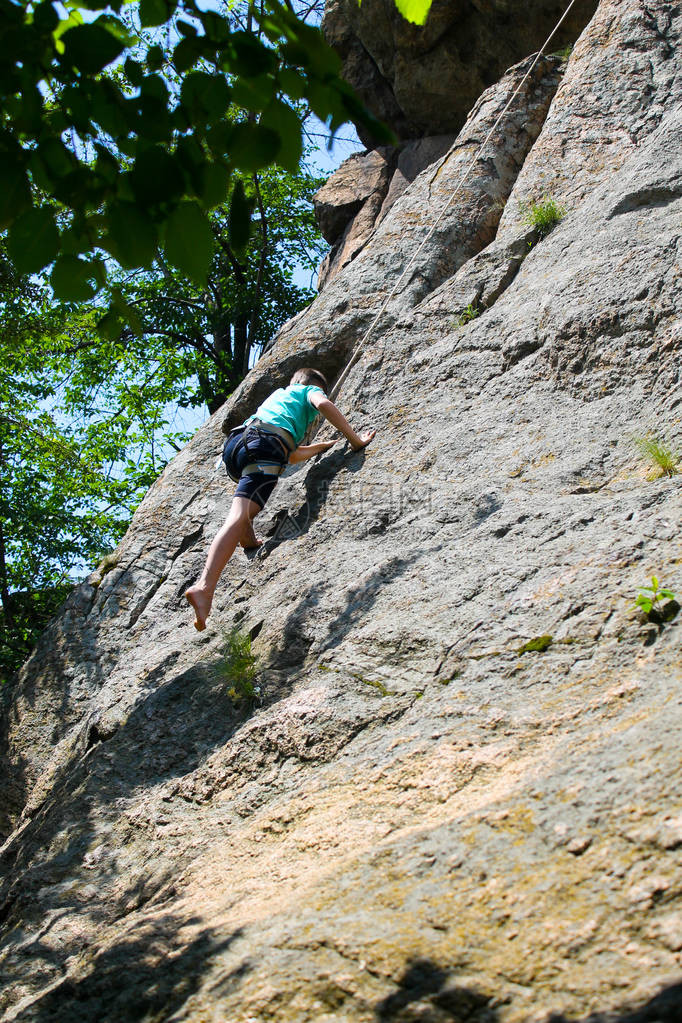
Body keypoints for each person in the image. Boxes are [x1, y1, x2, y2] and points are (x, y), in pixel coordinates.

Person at [185, 368, 376, 631]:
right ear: (312, 385)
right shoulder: (309, 391)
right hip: (266, 444)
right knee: (238, 514)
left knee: (245, 503)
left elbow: (291, 455)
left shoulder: (277, 396)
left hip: (237, 445)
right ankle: (205, 587)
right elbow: (323, 404)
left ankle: (247, 538)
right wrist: (354, 440)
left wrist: (320, 447)